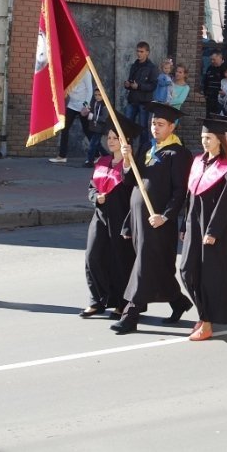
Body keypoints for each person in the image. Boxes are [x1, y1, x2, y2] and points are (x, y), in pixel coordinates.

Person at [112, 102, 193, 334]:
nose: (155, 128)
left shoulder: (178, 153)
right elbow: (131, 182)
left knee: (144, 265)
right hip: (139, 218)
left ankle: (130, 314)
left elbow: (180, 191)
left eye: (160, 124)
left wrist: (165, 217)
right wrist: (127, 162)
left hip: (158, 221)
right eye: (153, 123)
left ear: (172, 127)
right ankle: (178, 301)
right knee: (156, 265)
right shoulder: (148, 147)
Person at [180, 117, 227, 341]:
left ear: (219, 140)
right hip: (193, 225)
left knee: (208, 276)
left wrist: (213, 231)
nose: (205, 141)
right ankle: (203, 313)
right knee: (186, 271)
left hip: (212, 230)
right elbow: (190, 197)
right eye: (203, 137)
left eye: (209, 138)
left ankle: (206, 321)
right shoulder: (198, 161)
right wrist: (184, 224)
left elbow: (226, 204)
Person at [81, 113, 141, 319]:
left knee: (119, 260)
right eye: (109, 137)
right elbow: (91, 187)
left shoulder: (131, 165)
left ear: (126, 141)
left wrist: (127, 161)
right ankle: (96, 300)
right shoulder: (102, 161)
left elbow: (130, 184)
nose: (111, 141)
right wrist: (95, 197)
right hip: (99, 216)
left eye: (116, 138)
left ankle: (121, 303)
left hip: (120, 218)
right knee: (93, 256)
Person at [49, 70, 92, 165]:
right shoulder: (69, 71)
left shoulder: (86, 72)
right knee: (64, 128)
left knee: (87, 130)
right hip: (72, 105)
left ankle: (97, 155)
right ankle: (62, 156)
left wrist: (86, 105)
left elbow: (90, 90)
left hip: (83, 106)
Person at [124, 41, 159, 148]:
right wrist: (127, 84)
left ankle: (143, 152)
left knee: (143, 128)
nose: (139, 53)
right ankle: (128, 151)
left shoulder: (152, 67)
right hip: (132, 100)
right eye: (138, 51)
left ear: (147, 52)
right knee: (127, 126)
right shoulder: (134, 65)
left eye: (141, 51)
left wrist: (139, 86)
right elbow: (131, 81)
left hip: (144, 103)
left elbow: (153, 86)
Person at [84, 87, 110, 167]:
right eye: (96, 95)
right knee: (97, 144)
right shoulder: (94, 103)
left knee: (92, 144)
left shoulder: (105, 105)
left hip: (100, 128)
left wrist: (93, 117)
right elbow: (92, 112)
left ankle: (90, 161)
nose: (97, 97)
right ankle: (107, 156)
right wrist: (88, 111)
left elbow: (104, 119)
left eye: (99, 95)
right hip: (94, 127)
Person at [201, 49, 225, 117]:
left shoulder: (226, 69)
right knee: (209, 117)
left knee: (218, 118)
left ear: (220, 58)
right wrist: (205, 93)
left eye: (214, 59)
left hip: (220, 100)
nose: (212, 61)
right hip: (210, 99)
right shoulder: (210, 68)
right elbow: (206, 82)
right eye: (211, 59)